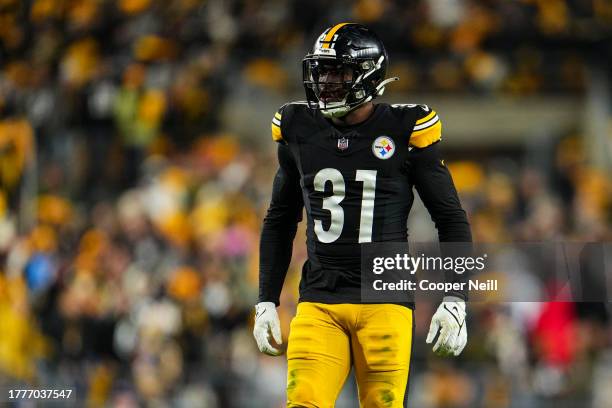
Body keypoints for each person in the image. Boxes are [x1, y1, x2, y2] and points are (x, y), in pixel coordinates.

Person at [253, 23, 472, 407]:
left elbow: (450, 218)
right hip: (320, 298)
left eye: (338, 71)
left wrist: (455, 297)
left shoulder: (405, 129)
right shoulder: (298, 127)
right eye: (321, 70)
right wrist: (266, 299)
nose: (326, 81)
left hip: (385, 301)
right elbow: (281, 219)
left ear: (369, 75)